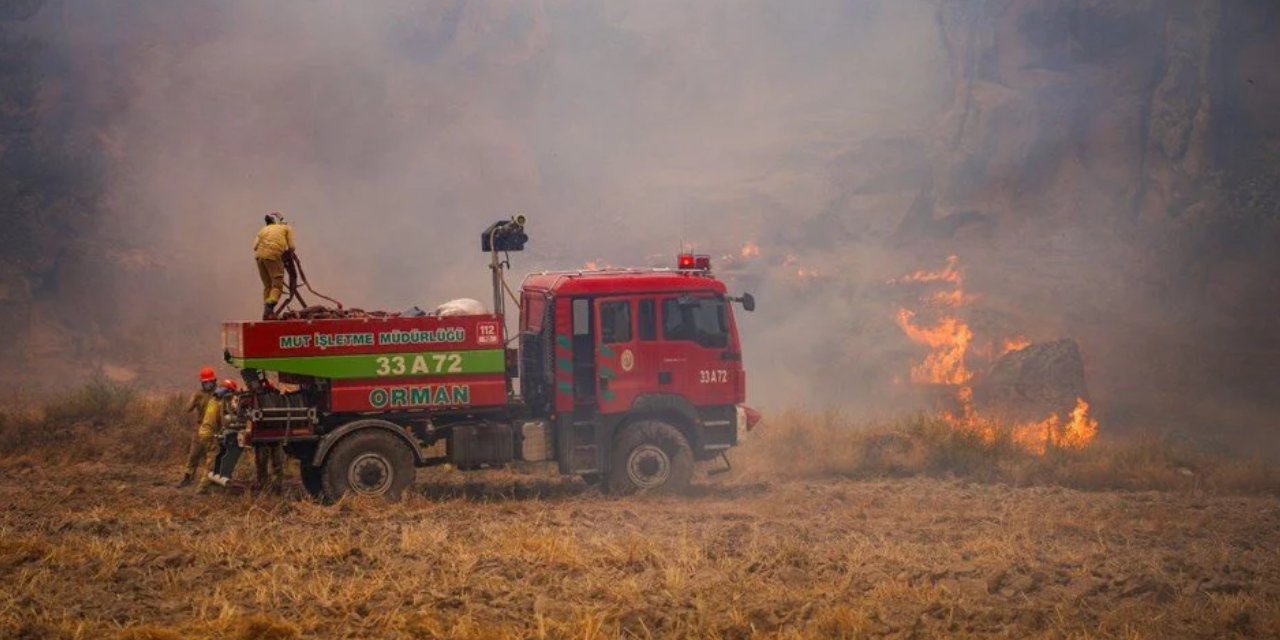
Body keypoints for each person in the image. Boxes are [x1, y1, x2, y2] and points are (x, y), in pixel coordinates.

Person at [177, 367, 218, 487]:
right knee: (194, 454)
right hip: (200, 428)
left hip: (215, 429)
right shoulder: (198, 394)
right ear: (202, 383)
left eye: (210, 382)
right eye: (206, 382)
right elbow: (187, 409)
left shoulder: (219, 393)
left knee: (212, 456)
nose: (208, 385)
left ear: (214, 381)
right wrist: (193, 400)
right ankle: (188, 478)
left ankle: (210, 480)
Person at [254, 212, 296, 320]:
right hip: (273, 256)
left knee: (268, 286)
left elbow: (254, 246)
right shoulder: (286, 228)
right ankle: (269, 306)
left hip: (259, 257)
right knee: (277, 285)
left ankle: (267, 312)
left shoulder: (262, 230)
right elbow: (291, 247)